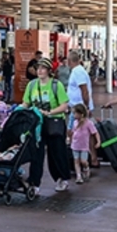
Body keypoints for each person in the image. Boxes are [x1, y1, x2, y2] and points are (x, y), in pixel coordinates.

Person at [22, 59, 72, 191]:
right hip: (37, 124)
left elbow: (64, 105)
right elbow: (26, 103)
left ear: (49, 71)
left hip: (54, 123)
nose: (39, 71)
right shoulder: (32, 85)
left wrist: (49, 112)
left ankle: (62, 177)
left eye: (43, 68)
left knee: (56, 152)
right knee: (36, 154)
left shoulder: (56, 85)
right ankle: (34, 183)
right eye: (38, 68)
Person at [67, 103, 98, 184]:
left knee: (83, 161)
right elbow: (73, 132)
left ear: (81, 114)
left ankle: (86, 168)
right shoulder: (74, 123)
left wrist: (98, 141)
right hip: (75, 145)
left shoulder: (88, 123)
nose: (73, 115)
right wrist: (70, 139)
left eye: (75, 113)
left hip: (84, 146)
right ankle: (78, 176)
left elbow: (95, 132)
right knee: (76, 161)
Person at [65, 50, 93, 121]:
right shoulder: (76, 71)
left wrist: (86, 107)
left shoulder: (78, 72)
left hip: (79, 108)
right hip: (76, 107)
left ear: (69, 61)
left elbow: (84, 90)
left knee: (76, 130)